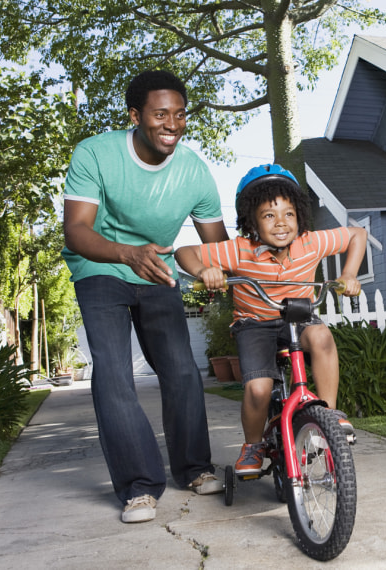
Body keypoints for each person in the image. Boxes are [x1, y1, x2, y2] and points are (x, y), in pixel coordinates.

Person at [62, 70, 229, 524]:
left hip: (157, 271)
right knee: (114, 374)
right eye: (160, 114)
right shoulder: (95, 153)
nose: (171, 124)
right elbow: (76, 231)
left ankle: (194, 468)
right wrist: (126, 254)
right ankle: (139, 486)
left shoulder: (193, 170)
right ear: (135, 116)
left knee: (180, 369)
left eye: (179, 114)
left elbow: (216, 244)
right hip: (99, 266)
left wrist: (229, 267)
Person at [175, 164, 366, 475]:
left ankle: (329, 415)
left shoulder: (310, 242)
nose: (281, 223)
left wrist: (348, 274)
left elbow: (357, 235)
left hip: (298, 317)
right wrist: (203, 270)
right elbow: (184, 252)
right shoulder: (239, 251)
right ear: (252, 221)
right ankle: (252, 445)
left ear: (300, 216)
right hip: (255, 325)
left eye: (289, 214)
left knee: (321, 337)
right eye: (269, 215)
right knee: (259, 389)